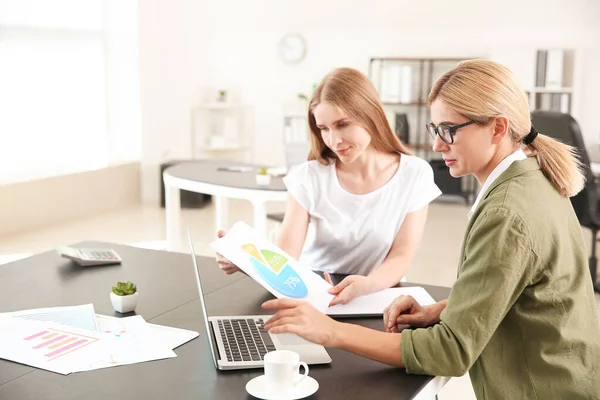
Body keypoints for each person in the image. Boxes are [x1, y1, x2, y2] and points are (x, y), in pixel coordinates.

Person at [260, 59, 600, 399]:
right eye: (435, 130)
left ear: (498, 128)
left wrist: (332, 332)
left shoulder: (505, 213)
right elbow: (523, 290)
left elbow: (449, 352)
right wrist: (445, 309)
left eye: (449, 130)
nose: (438, 146)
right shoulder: (536, 177)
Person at [216, 67, 441, 305]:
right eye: (324, 129)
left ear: (370, 115)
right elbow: (285, 258)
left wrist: (366, 285)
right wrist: (244, 261)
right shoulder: (308, 177)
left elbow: (401, 257)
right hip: (316, 294)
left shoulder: (414, 174)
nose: (334, 140)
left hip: (377, 295)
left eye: (343, 124)